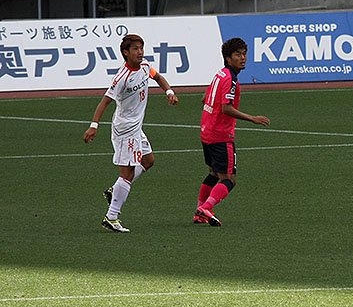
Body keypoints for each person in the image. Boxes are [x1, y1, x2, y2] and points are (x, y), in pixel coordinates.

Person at [83, 34, 179, 233]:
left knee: (148, 161)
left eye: (141, 48)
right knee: (126, 174)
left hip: (137, 129)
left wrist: (169, 92)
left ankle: (115, 191)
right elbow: (104, 102)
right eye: (135, 49)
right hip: (125, 130)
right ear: (126, 53)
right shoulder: (121, 78)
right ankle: (111, 217)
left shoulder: (145, 66)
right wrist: (94, 126)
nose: (140, 52)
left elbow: (158, 77)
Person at [194, 37, 271, 226]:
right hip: (220, 135)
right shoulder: (231, 80)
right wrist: (252, 118)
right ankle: (206, 208)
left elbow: (204, 98)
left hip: (206, 131)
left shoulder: (220, 74)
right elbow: (226, 108)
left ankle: (199, 212)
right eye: (238, 54)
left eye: (244, 54)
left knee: (214, 173)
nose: (243, 58)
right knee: (229, 179)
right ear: (228, 58)